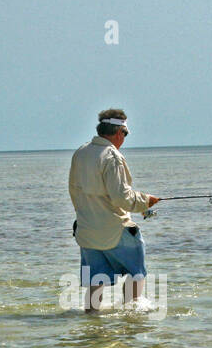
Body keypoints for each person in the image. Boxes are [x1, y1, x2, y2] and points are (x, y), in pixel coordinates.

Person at [68, 108, 160, 312]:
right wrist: (145, 201)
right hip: (116, 230)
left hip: (87, 231)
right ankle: (132, 318)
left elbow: (74, 192)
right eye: (125, 135)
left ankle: (91, 326)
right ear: (119, 133)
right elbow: (122, 197)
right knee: (137, 274)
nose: (124, 139)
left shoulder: (81, 153)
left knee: (95, 282)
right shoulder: (112, 157)